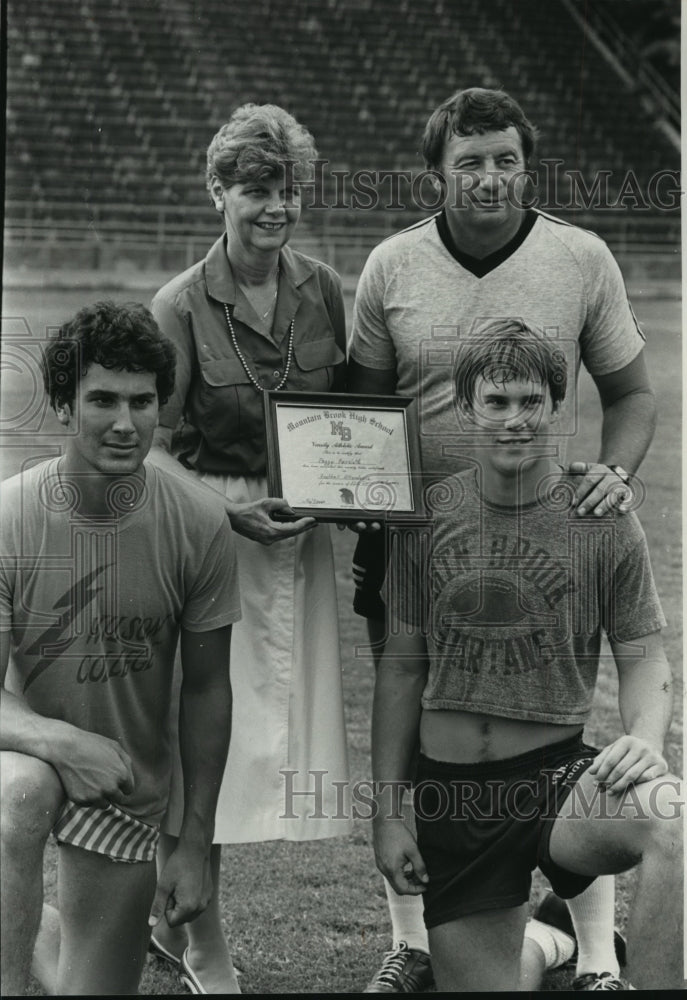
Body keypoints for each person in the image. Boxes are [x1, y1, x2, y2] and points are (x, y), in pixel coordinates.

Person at [348, 87, 655, 992]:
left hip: (549, 530)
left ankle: (593, 953)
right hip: (420, 540)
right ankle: (414, 939)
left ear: (527, 165)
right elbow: (363, 413)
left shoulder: (579, 257)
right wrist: (363, 491)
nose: (488, 177)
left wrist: (615, 475)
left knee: (556, 723)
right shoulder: (390, 265)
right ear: (436, 172)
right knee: (417, 718)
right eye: (468, 161)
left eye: (505, 159)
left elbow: (631, 394)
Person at [371, 320, 682, 992]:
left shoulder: (600, 514)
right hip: (450, 793)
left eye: (531, 402)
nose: (515, 420)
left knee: (669, 826)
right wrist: (388, 812)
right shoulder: (426, 518)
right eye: (497, 402)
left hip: (554, 777)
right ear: (465, 408)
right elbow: (399, 671)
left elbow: (644, 655)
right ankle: (549, 941)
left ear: (556, 405)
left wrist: (645, 738)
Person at [148, 103, 351, 993]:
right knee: (208, 737)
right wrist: (225, 515)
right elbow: (147, 443)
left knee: (285, 736)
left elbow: (348, 422)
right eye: (256, 190)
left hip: (299, 536)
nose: (275, 207)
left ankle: (174, 916)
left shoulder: (323, 289)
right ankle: (202, 945)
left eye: (287, 190)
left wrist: (354, 486)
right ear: (217, 193)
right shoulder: (179, 304)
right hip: (214, 529)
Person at [0, 301, 241, 996]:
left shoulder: (198, 523)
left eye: (142, 401)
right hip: (23, 762)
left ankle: (42, 929)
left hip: (125, 791)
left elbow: (205, 690)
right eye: (101, 399)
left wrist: (193, 842)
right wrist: (60, 741)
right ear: (62, 406)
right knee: (22, 792)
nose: (124, 422)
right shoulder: (12, 518)